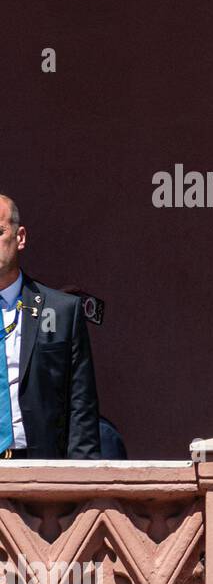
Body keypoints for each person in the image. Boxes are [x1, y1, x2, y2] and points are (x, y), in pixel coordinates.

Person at [0, 194, 100, 459]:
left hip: (37, 465)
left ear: (19, 237)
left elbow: (81, 407)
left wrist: (82, 483)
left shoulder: (60, 310)